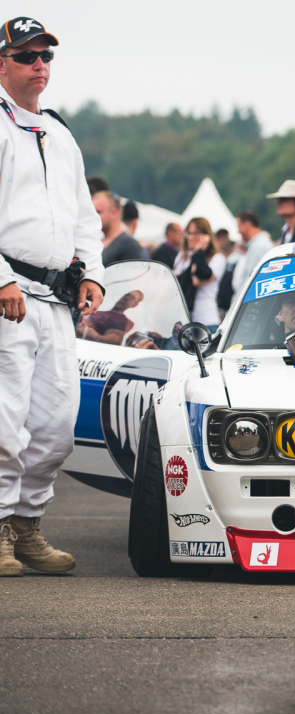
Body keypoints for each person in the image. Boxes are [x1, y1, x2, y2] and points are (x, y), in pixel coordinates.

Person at [0, 16, 105, 577]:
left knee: (57, 425)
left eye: (45, 56)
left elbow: (85, 216)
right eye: (25, 55)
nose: (39, 64)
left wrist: (92, 274)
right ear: (2, 64)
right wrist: (1, 278)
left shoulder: (60, 133)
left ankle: (26, 524)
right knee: (4, 424)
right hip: (8, 297)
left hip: (56, 298)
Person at [173, 217, 225, 332]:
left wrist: (198, 252)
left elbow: (197, 281)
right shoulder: (182, 256)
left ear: (206, 236)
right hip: (183, 320)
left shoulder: (217, 258)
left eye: (196, 233)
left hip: (206, 320)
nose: (191, 237)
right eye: (189, 233)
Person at [94, 191, 143, 266]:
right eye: (93, 212)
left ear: (114, 213)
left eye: (98, 212)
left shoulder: (129, 244)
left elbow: (134, 272)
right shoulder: (98, 241)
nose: (94, 216)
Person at [231, 210, 274, 293]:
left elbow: (253, 279)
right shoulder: (257, 244)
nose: (238, 231)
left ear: (247, 224)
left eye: (239, 226)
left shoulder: (259, 246)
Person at [78, 290, 143, 345]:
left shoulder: (122, 321)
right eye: (126, 295)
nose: (126, 298)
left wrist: (92, 334)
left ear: (134, 305)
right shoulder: (98, 312)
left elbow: (115, 341)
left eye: (131, 298)